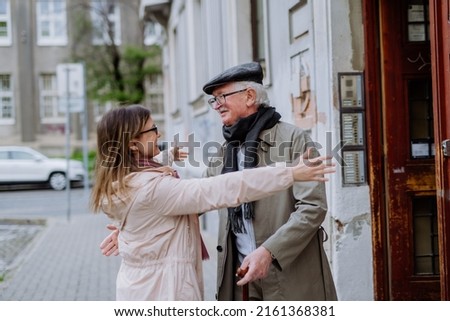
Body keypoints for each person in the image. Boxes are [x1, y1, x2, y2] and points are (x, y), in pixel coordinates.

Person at [92, 104, 335, 301]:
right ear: (133, 144)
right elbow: (221, 188)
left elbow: (152, 192)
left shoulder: (122, 181)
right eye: (152, 129)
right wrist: (290, 173)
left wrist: (133, 230)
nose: (159, 134)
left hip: (142, 288)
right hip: (164, 293)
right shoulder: (153, 189)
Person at [201, 62, 338, 300]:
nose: (216, 105)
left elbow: (312, 208)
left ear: (250, 96)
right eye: (213, 100)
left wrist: (268, 252)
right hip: (241, 277)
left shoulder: (293, 139)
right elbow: (198, 197)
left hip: (289, 273)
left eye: (221, 96)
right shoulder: (224, 151)